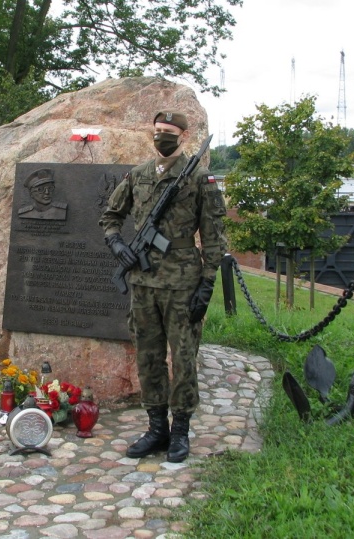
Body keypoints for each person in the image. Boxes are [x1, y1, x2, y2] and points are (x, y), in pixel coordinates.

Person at [99, 111, 227, 463]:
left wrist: (208, 284)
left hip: (182, 284)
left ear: (184, 136)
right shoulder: (138, 175)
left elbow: (214, 239)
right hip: (142, 284)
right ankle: (157, 428)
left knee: (184, 359)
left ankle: (180, 430)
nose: (162, 138)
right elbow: (110, 216)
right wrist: (118, 246)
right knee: (148, 357)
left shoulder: (201, 179)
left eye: (169, 133)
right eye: (157, 132)